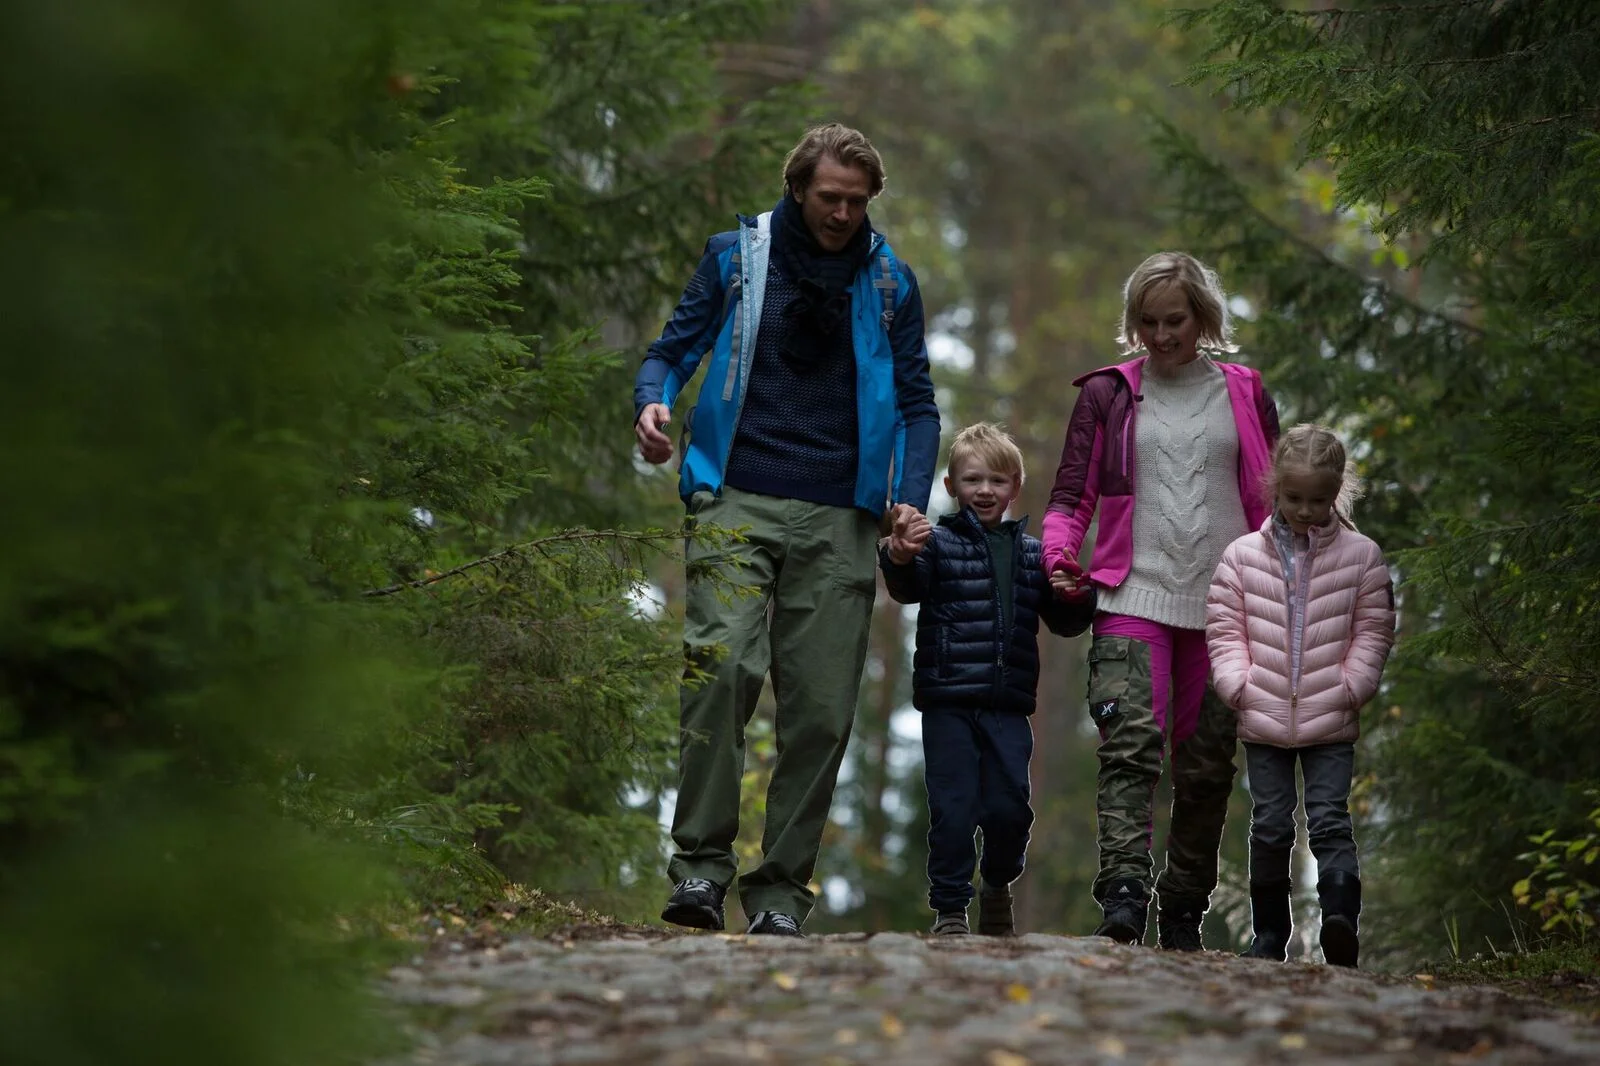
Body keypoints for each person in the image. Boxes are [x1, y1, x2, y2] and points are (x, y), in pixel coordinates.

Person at [633, 123, 940, 937]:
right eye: (830, 197)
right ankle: (699, 871)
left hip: (842, 513)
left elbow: (917, 402)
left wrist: (908, 498)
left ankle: (778, 894)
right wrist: (651, 405)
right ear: (798, 187)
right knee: (721, 666)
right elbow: (670, 351)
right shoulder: (737, 256)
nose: (842, 213)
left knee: (821, 708)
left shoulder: (888, 283)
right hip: (736, 492)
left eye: (857, 201)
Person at [1043, 251, 1279, 950]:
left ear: (1201, 316)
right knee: (1129, 748)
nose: (1161, 335)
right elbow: (1069, 498)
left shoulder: (1244, 390)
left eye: (1174, 320)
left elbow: (1276, 493)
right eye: (1146, 322)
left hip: (1227, 604)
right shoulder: (1108, 394)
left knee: (1205, 765)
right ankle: (1122, 895)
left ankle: (1182, 907)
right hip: (1130, 594)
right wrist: (1060, 556)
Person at [880, 424, 1096, 937]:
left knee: (1009, 811)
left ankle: (997, 884)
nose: (984, 490)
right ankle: (951, 908)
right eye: (972, 479)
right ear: (951, 486)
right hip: (948, 703)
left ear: (1015, 486)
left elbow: (1066, 623)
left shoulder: (1032, 555)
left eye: (997, 480)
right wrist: (899, 555)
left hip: (1008, 706)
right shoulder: (935, 543)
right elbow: (907, 587)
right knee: (952, 809)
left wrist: (1074, 593)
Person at [1206, 424, 1395, 967]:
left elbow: (1374, 628)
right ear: (1274, 491)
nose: (1306, 510)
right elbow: (1224, 626)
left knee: (1330, 818)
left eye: (1318, 500)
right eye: (1294, 499)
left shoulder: (1362, 556)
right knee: (1270, 822)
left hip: (1330, 715)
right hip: (1263, 712)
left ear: (1336, 493)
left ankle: (1339, 923)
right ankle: (1269, 935)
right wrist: (1236, 682)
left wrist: (1352, 686)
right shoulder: (1241, 557)